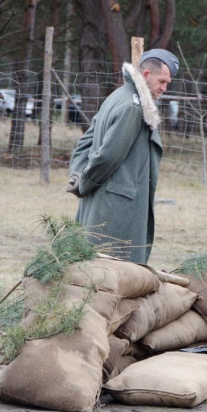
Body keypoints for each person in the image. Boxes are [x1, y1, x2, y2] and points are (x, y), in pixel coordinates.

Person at [67, 48, 179, 264]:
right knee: (112, 275)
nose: (164, 88)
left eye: (167, 83)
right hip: (116, 211)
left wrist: (77, 175)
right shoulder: (133, 107)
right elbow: (107, 157)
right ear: (146, 75)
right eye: (162, 81)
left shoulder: (118, 96)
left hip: (103, 202)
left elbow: (84, 143)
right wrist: (84, 182)